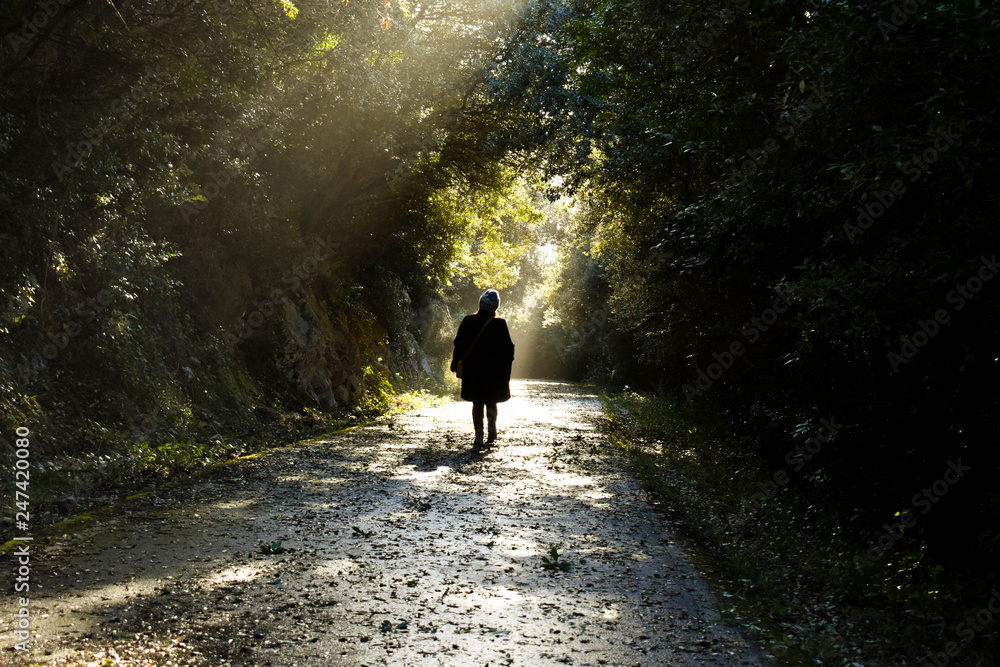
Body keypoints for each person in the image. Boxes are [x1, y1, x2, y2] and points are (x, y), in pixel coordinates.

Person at [451, 289, 515, 447]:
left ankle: (478, 435)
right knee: (491, 402)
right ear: (495, 307)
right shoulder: (500, 324)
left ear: (481, 304)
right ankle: (492, 431)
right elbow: (508, 350)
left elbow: (459, 344)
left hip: (473, 370)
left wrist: (455, 363)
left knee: (477, 402)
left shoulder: (468, 321)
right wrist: (505, 371)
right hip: (494, 372)